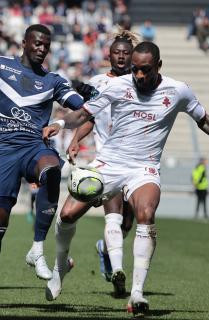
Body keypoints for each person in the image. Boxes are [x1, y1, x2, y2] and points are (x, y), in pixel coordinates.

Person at [42, 42, 209, 317]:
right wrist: (59, 125)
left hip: (144, 168)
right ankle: (59, 269)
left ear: (158, 66)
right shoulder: (118, 86)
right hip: (110, 164)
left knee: (146, 213)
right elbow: (85, 114)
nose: (139, 76)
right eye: (135, 70)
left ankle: (137, 293)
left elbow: (202, 118)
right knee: (67, 214)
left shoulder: (178, 90)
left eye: (145, 70)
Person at [0, 24, 86, 309]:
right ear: (24, 43)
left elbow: (79, 106)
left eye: (46, 45)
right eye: (37, 43)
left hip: (33, 148)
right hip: (2, 153)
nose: (42, 48)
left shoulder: (53, 80)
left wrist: (88, 93)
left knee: (52, 169)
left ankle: (37, 248)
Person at [64, 30, 138, 297]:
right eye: (116, 52)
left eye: (126, 53)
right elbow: (90, 118)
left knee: (127, 224)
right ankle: (118, 274)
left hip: (135, 163)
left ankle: (105, 252)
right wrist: (75, 140)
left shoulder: (139, 82)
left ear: (133, 56)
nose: (121, 56)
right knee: (90, 216)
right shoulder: (98, 82)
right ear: (109, 56)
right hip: (107, 162)